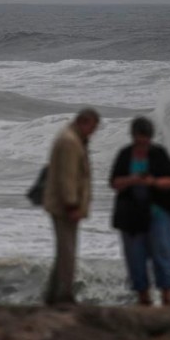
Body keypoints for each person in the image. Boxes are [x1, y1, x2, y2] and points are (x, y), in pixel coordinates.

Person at [110, 117, 170, 307]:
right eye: (139, 137)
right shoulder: (125, 154)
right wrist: (132, 180)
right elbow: (115, 182)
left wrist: (152, 182)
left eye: (145, 137)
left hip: (159, 211)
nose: (142, 141)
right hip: (132, 213)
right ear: (133, 136)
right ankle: (143, 299)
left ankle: (167, 298)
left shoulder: (159, 154)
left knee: (162, 253)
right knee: (135, 257)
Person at [42, 108, 101, 306]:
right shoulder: (69, 141)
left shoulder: (71, 138)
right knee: (67, 251)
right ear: (85, 122)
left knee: (63, 251)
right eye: (93, 128)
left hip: (63, 205)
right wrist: (72, 204)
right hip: (65, 207)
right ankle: (64, 296)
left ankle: (53, 295)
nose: (93, 132)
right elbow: (67, 177)